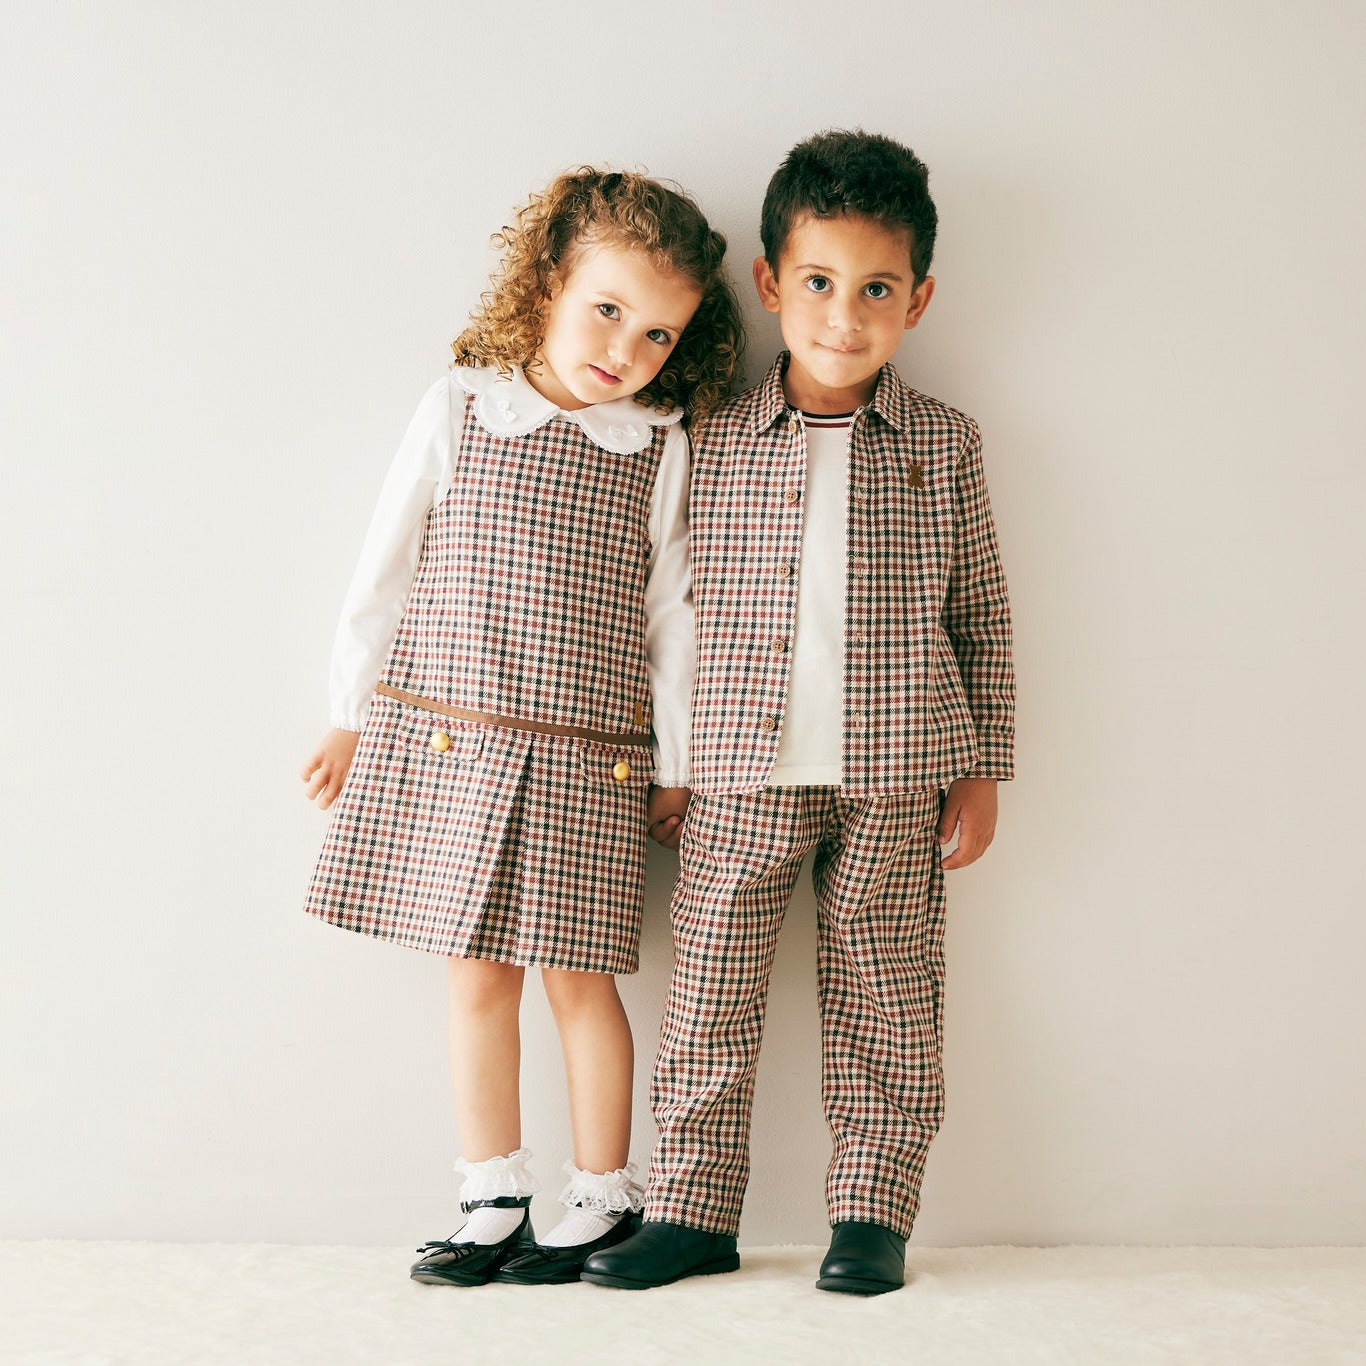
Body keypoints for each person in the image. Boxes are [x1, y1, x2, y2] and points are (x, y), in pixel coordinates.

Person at [583, 130, 1015, 1296]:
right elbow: (660, 604)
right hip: (732, 770)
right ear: (772, 284)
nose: (843, 315)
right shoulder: (708, 433)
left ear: (918, 299)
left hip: (895, 772)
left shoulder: (944, 445)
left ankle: (871, 1211)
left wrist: (983, 768)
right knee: (709, 994)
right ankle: (689, 1210)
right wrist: (667, 759)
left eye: (876, 290)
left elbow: (979, 611)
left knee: (886, 994)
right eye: (818, 284)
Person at [299, 168, 742, 1287]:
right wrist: (349, 715)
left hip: (592, 761)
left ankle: (600, 1199)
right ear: (549, 278)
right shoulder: (461, 402)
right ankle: (491, 1190)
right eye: (607, 310)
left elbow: (671, 614)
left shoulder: (654, 441)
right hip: (456, 739)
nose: (626, 349)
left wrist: (678, 762)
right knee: (476, 973)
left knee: (580, 980)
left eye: (656, 334)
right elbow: (385, 566)